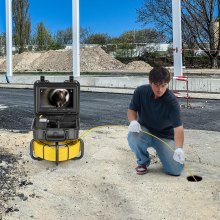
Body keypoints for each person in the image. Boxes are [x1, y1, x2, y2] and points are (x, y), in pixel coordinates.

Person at [127, 66, 185, 176]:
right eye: (156, 85)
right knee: (133, 135)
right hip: (146, 131)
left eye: (163, 85)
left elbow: (178, 128)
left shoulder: (171, 102)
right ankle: (143, 162)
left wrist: (179, 148)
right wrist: (133, 121)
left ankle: (163, 153)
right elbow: (132, 109)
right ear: (150, 82)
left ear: (167, 84)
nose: (160, 89)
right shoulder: (140, 92)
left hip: (165, 136)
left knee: (175, 171)